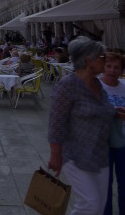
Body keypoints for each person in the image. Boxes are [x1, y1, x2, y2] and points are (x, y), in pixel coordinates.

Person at [48, 37, 125, 214]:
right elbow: (56, 123)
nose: (106, 61)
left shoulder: (97, 84)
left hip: (100, 154)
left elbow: (102, 109)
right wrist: (55, 154)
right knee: (89, 204)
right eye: (102, 57)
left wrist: (116, 113)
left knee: (99, 206)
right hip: (75, 154)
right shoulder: (67, 86)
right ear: (89, 61)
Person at [100, 52, 125, 215]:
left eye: (117, 67)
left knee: (124, 182)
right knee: (104, 184)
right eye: (109, 66)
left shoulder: (124, 86)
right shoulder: (95, 86)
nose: (112, 70)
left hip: (123, 140)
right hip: (102, 142)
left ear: (122, 70)